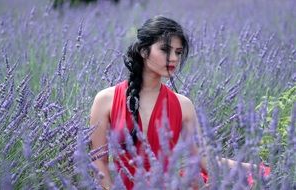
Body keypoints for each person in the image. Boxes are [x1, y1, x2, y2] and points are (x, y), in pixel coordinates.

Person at [89, 16, 267, 190]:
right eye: (165, 50)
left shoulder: (183, 105)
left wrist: (253, 170)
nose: (173, 58)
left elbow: (203, 157)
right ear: (144, 51)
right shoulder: (106, 100)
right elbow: (99, 161)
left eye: (178, 52)